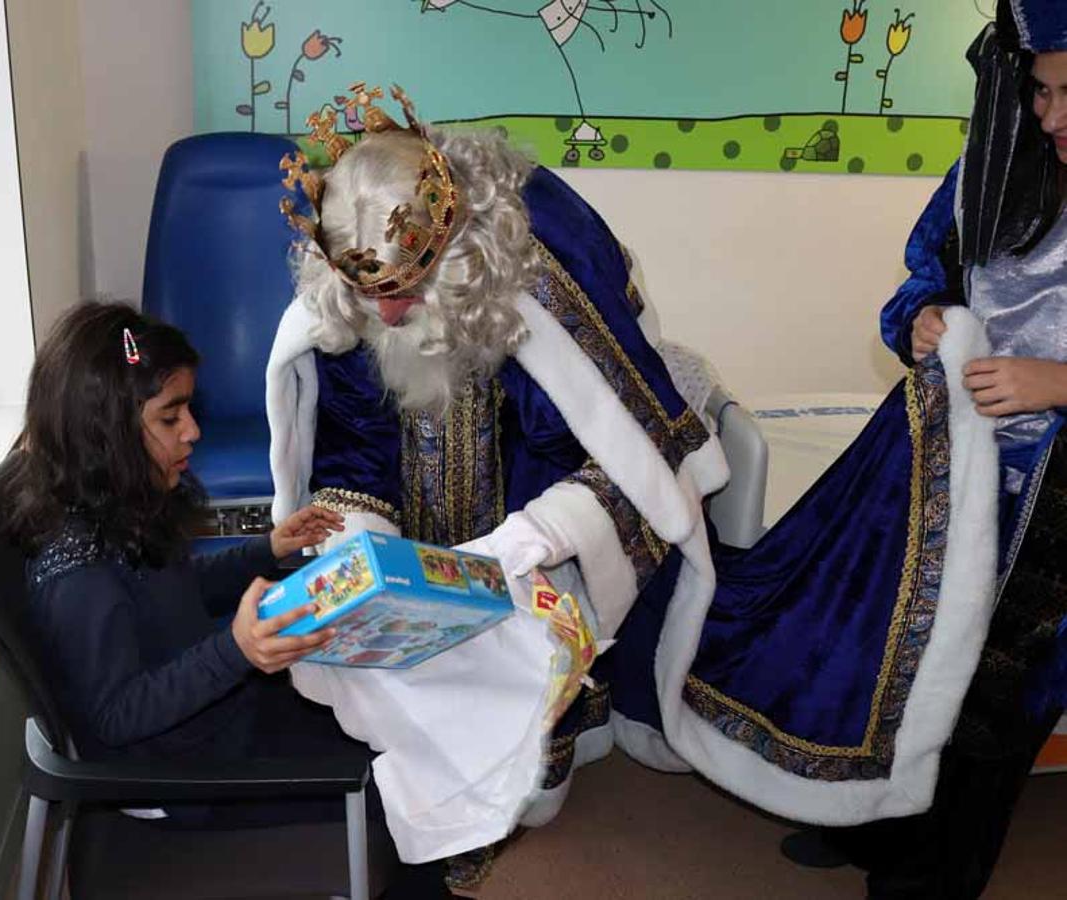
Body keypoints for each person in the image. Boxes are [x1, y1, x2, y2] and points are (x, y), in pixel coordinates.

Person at [266, 84, 728, 879]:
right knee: (384, 649)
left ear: (454, 254)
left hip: (528, 512)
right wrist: (367, 549)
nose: (391, 316)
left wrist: (528, 539)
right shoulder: (355, 305)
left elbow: (612, 450)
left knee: (529, 720)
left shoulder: (540, 292)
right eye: (372, 295)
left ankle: (533, 755)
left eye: (406, 290)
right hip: (422, 535)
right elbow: (350, 450)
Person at [1, 301, 452, 898]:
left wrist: (265, 549)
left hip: (215, 717)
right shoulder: (78, 573)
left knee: (392, 716)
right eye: (170, 417)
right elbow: (117, 717)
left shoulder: (115, 509)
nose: (193, 430)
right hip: (185, 775)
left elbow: (178, 588)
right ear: (104, 433)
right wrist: (235, 650)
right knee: (410, 781)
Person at [779, 3, 1067, 895]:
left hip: (1054, 508)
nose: (1050, 117)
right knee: (897, 652)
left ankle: (928, 876)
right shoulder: (1002, 169)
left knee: (991, 703)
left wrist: (1060, 385)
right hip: (957, 464)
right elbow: (918, 281)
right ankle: (871, 826)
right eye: (1043, 92)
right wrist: (921, 318)